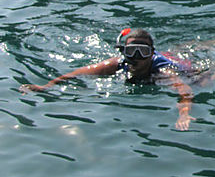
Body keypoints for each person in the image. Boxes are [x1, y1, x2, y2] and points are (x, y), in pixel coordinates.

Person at [20, 28, 195, 130]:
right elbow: (75, 74)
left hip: (183, 65)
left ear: (151, 54)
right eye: (131, 52)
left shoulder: (163, 72)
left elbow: (185, 92)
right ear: (123, 52)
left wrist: (184, 114)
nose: (137, 58)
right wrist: (45, 87)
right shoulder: (116, 64)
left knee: (201, 78)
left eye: (143, 52)